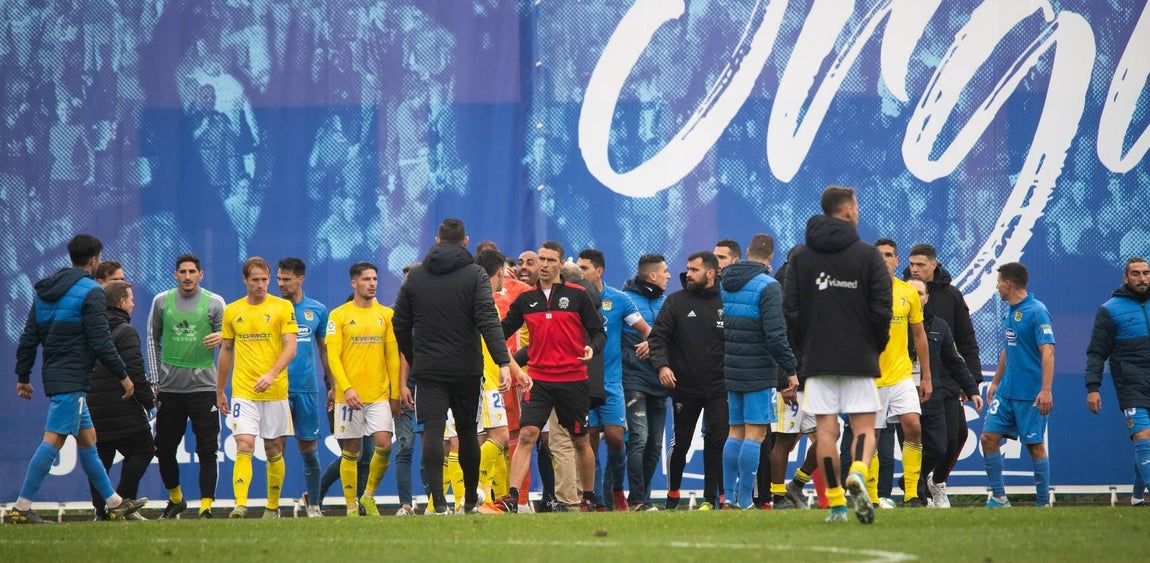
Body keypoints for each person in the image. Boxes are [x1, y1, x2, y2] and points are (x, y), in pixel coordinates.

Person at [10, 234, 148, 524]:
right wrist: (123, 375)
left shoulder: (45, 290)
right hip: (72, 378)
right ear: (95, 259)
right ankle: (21, 508)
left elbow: (29, 337)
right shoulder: (91, 291)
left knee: (89, 441)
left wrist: (23, 374)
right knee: (53, 440)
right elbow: (100, 341)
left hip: (58, 374)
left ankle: (113, 503)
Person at [782, 186, 892, 524]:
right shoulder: (868, 255)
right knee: (863, 426)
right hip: (859, 355)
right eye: (856, 206)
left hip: (818, 358)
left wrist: (806, 346)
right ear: (846, 210)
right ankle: (858, 471)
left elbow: (791, 310)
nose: (857, 211)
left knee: (826, 431)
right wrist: (875, 344)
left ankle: (836, 505)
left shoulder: (800, 256)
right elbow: (881, 310)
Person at [393, 218, 512, 515]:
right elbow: (488, 319)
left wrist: (413, 354)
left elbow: (400, 323)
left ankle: (440, 502)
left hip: (429, 368)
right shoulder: (474, 275)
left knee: (433, 432)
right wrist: (503, 362)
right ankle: (470, 499)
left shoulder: (416, 277)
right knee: (468, 432)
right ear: (465, 242)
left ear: (436, 241)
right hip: (467, 368)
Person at [492, 240, 606, 513]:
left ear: (560, 264)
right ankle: (512, 497)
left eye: (549, 260)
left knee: (580, 441)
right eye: (540, 259)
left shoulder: (578, 295)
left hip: (573, 379)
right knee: (528, 434)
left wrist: (592, 347)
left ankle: (588, 496)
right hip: (539, 380)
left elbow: (599, 332)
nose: (543, 265)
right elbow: (498, 333)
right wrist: (509, 366)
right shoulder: (525, 300)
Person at [719, 234, 798, 509]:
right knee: (755, 434)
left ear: (748, 251)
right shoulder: (769, 286)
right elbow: (776, 335)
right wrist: (790, 370)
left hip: (732, 367)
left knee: (734, 433)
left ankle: (727, 497)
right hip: (759, 369)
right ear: (771, 257)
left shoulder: (725, 283)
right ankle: (743, 501)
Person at [217, 256, 299, 518]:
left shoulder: (282, 307)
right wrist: (220, 390)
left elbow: (291, 346)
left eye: (265, 279)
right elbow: (226, 350)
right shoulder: (232, 311)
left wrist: (272, 374)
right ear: (245, 280)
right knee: (244, 444)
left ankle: (272, 507)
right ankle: (240, 505)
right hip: (244, 391)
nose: (261, 285)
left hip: (275, 391)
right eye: (255, 280)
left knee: (274, 448)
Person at [147, 253, 227, 519]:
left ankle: (206, 507)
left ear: (201, 275)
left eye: (193, 271)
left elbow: (230, 342)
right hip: (170, 390)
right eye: (183, 272)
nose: (188, 276)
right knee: (164, 449)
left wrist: (222, 336)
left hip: (204, 390)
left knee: (207, 450)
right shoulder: (161, 301)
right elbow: (151, 340)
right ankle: (176, 499)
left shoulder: (215, 303)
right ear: (175, 275)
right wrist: (156, 381)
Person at [649, 251, 728, 510]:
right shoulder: (676, 301)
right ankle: (673, 494)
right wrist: (662, 366)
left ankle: (712, 498)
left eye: (694, 270)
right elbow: (657, 338)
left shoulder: (726, 300)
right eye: (688, 269)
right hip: (684, 387)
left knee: (718, 441)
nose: (688, 274)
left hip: (719, 387)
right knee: (680, 442)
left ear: (710, 273)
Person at [905, 243, 982, 507]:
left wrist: (972, 382)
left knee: (956, 437)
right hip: (908, 382)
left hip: (946, 382)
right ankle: (915, 489)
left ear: (934, 265)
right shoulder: (901, 292)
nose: (914, 269)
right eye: (912, 264)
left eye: (920, 265)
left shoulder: (951, 296)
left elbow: (966, 340)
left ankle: (935, 483)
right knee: (918, 439)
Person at [577, 249, 651, 511]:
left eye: (584, 268)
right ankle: (595, 499)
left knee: (616, 438)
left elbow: (645, 330)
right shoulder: (573, 298)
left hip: (610, 383)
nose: (580, 272)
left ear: (599, 271)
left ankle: (617, 489)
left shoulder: (618, 300)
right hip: (582, 382)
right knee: (589, 441)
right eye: (578, 267)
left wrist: (648, 344)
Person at [326, 261, 401, 517]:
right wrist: (345, 389)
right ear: (354, 283)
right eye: (366, 279)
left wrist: (394, 394)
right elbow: (333, 356)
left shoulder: (386, 315)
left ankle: (368, 496)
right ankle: (350, 507)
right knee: (351, 451)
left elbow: (392, 356)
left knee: (384, 445)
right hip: (349, 397)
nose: (372, 284)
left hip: (379, 395)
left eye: (374, 279)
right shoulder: (339, 316)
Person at [981, 262, 1055, 508]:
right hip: (1006, 392)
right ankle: (999, 498)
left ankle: (1043, 503)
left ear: (1008, 284)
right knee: (988, 438)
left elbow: (1048, 352)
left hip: (1030, 394)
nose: (997, 287)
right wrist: (996, 380)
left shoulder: (1037, 311)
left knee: (1034, 446)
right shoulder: (1010, 311)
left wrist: (1045, 390)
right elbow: (1008, 349)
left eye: (999, 282)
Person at [86, 281, 157, 521]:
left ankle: (102, 511)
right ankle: (123, 501)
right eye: (131, 299)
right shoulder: (126, 331)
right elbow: (135, 372)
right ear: (121, 303)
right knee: (144, 448)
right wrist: (149, 402)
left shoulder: (91, 329)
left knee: (101, 461)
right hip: (122, 403)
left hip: (94, 405)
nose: (134, 303)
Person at [870, 238, 932, 507]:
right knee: (869, 437)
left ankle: (912, 494)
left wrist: (926, 376)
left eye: (889, 255)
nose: (885, 259)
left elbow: (919, 336)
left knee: (913, 425)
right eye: (880, 255)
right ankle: (871, 498)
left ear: (897, 261)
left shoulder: (907, 292)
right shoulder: (861, 292)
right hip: (869, 378)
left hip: (901, 375)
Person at [1086, 257, 1150, 505]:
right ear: (1126, 278)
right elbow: (1096, 352)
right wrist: (1093, 387)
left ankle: (1136, 498)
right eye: (1136, 274)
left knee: (1146, 441)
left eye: (1146, 273)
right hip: (1130, 384)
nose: (1142, 278)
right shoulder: (1110, 309)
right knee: (1143, 436)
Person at [276, 257, 332, 517]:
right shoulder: (273, 308)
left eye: (286, 279)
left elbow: (324, 350)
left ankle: (314, 506)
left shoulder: (317, 310)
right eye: (279, 279)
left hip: (306, 389)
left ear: (300, 279)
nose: (281, 284)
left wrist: (331, 384)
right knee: (275, 448)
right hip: (277, 389)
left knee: (309, 447)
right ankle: (272, 507)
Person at [621, 253, 669, 511]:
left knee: (656, 443)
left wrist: (655, 344)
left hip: (660, 379)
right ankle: (639, 499)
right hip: (633, 378)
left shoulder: (666, 302)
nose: (669, 276)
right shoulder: (624, 299)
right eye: (665, 271)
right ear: (652, 275)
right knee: (639, 437)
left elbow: (673, 335)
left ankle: (641, 497)